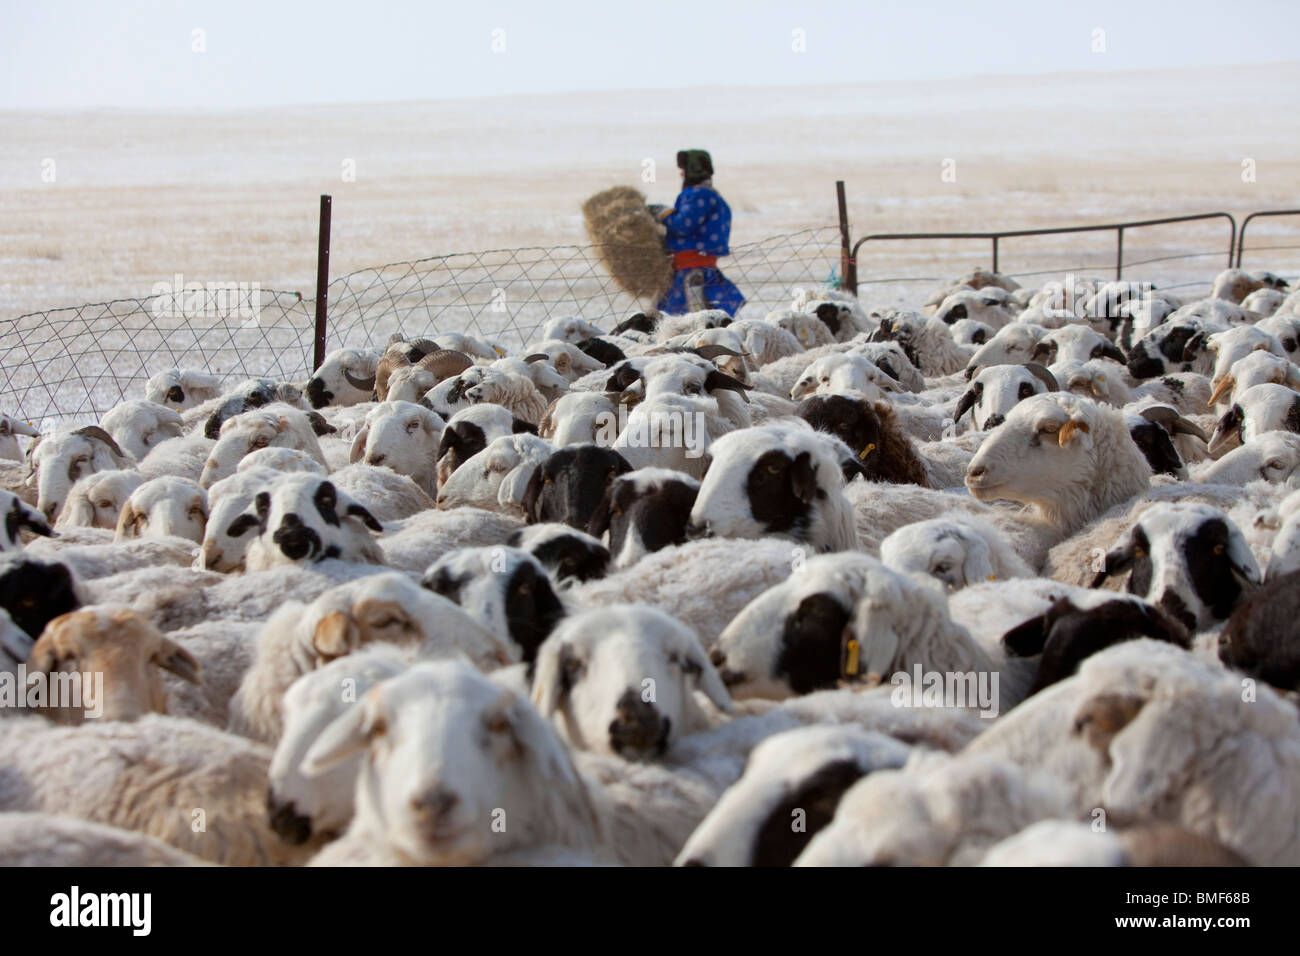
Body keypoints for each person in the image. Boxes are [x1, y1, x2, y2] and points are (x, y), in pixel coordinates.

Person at [649, 149, 745, 316]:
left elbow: (682, 225)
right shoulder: (714, 196)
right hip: (703, 267)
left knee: (680, 319)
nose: (681, 174)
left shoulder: (699, 195)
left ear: (693, 170)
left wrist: (662, 213)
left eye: (683, 169)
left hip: (690, 271)